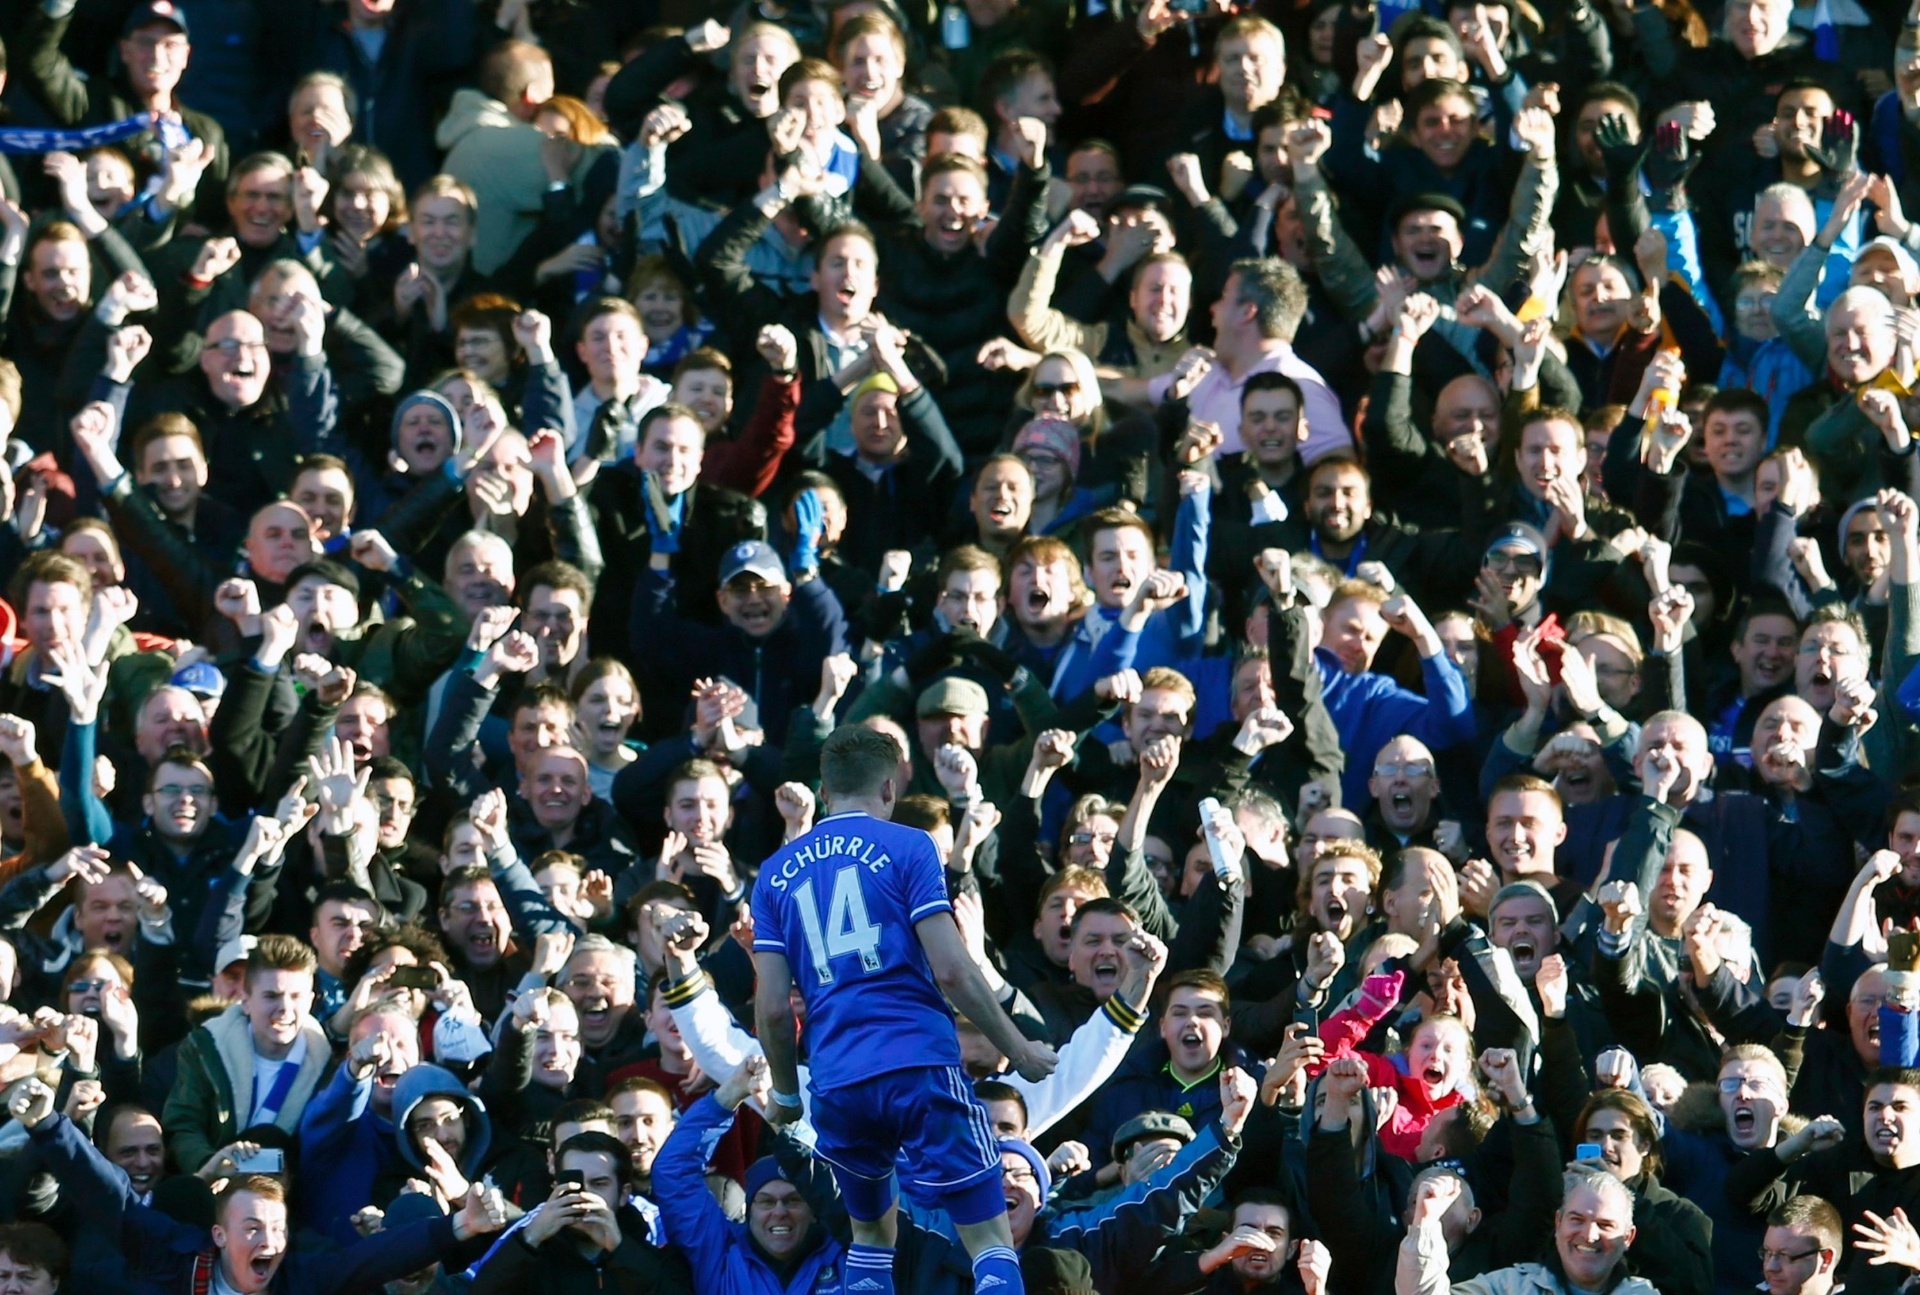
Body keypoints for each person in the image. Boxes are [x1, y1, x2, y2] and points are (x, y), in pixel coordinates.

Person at [751, 724, 1059, 1294]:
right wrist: (1017, 1048)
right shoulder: (910, 845)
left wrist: (787, 1096)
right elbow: (952, 968)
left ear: (823, 791)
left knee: (869, 1240)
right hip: (917, 1064)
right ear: (890, 788)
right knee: (990, 1241)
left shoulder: (774, 873)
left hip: (838, 1080)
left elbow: (771, 1007)